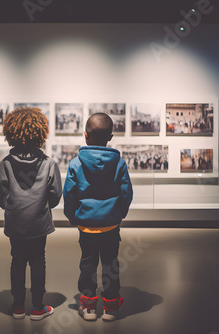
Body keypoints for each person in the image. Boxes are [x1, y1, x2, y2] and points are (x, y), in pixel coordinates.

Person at [0, 107, 62, 321]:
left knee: (17, 261)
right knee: (38, 260)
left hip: (16, 223)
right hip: (39, 223)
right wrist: (41, 206)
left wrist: (13, 206)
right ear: (40, 133)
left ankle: (18, 306)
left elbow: (0, 194)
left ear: (11, 134)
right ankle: (38, 307)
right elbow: (55, 195)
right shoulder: (49, 164)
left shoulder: (5, 164)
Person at [63, 113, 133, 322]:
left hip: (86, 226)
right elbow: (127, 193)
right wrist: (119, 214)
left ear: (85, 136)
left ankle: (89, 306)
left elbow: (69, 194)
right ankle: (111, 308)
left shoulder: (76, 164)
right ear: (110, 137)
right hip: (111, 225)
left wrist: (73, 217)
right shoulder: (119, 164)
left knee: (87, 265)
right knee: (111, 265)